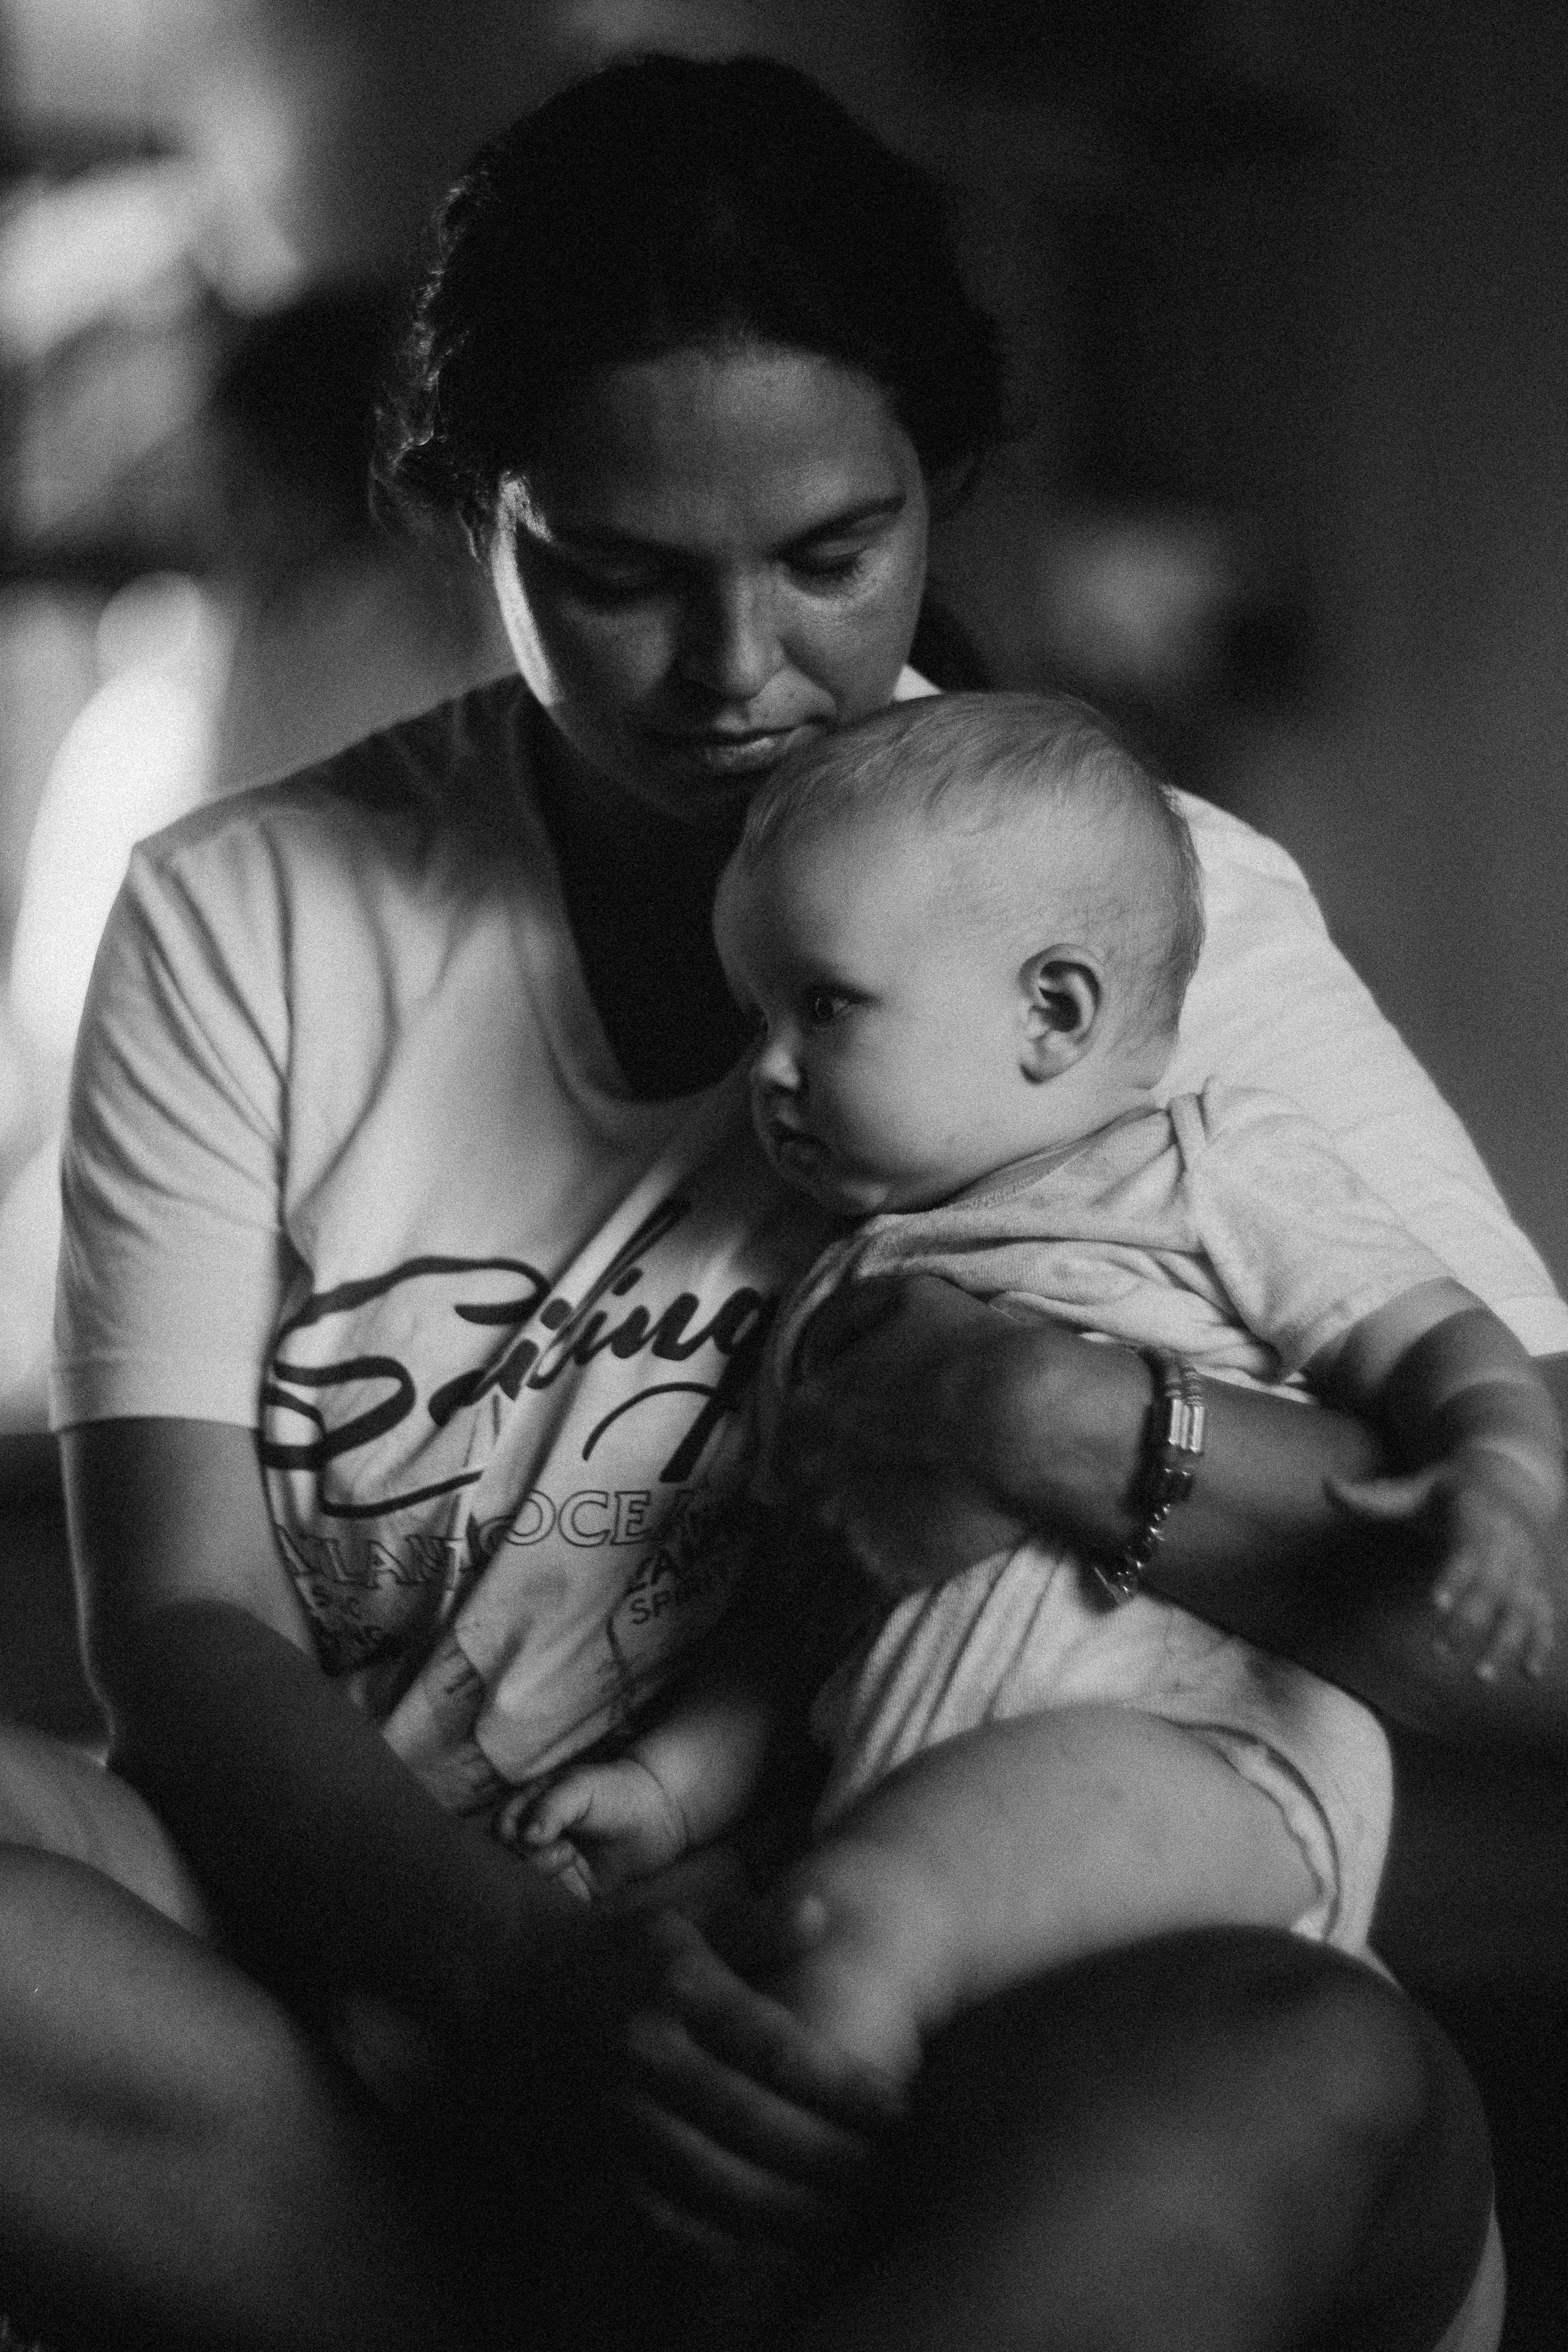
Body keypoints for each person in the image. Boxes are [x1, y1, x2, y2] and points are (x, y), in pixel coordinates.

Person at [0, 50, 1560, 2352]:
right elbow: (187, 1634)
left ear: (938, 492)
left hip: (1010, 2002)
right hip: (446, 1968)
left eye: (833, 559)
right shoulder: (256, 916)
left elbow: (1530, 1619)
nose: (743, 677)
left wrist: (1067, 1430)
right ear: (476, 516)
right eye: (617, 577)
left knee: (1295, 2066)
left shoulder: (1126, 923)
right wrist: (533, 1978)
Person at [516, 690, 1562, 2089]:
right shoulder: (838, 1297)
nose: (763, 1069)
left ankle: (830, 2121)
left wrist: (1500, 1463)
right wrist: (667, 1785)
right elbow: (793, 1613)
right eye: (753, 1012)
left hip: (1188, 1759)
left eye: (820, 1005)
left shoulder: (1204, 1169)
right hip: (907, 1787)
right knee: (686, 1965)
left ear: (1052, 1012)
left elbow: (1430, 1337)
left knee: (860, 1925)